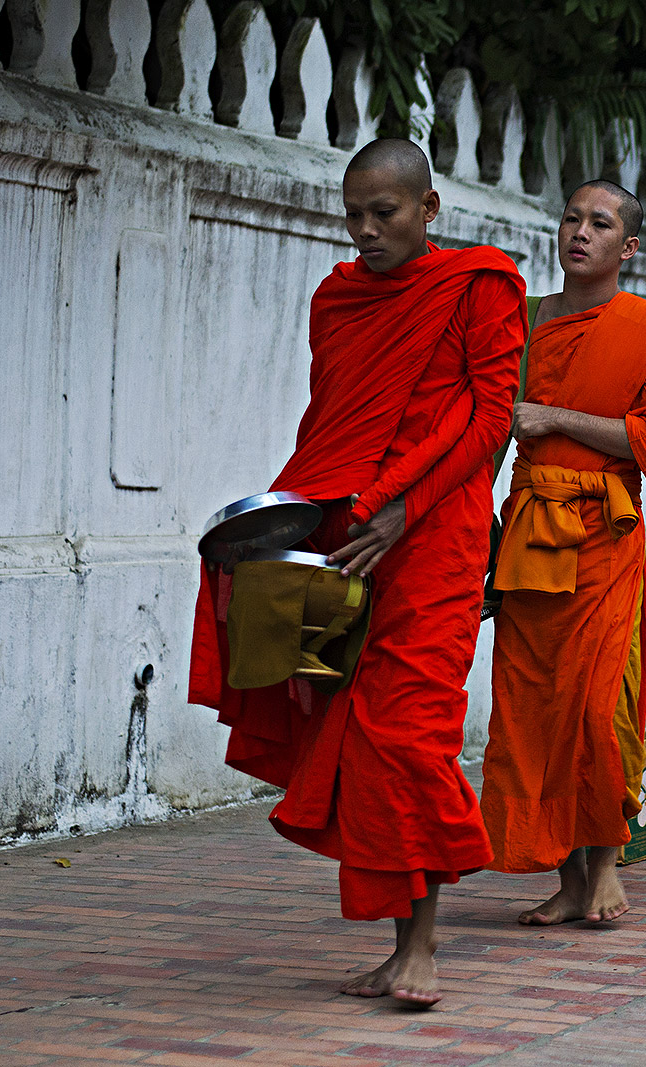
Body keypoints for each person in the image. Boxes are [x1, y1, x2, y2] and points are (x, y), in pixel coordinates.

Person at [188, 139, 525, 1006]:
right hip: (348, 537)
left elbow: (490, 417)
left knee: (411, 731)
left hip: (435, 535)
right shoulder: (337, 299)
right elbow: (329, 421)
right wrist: (281, 525)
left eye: (387, 213)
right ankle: (399, 941)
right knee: (358, 735)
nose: (368, 231)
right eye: (355, 215)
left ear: (430, 210)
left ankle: (423, 947)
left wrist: (403, 506)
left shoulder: (481, 285)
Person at [480, 180, 646, 924]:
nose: (580, 231)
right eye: (571, 217)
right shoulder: (528, 320)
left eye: (599, 223)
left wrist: (555, 416)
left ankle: (607, 862)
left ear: (626, 247)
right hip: (530, 532)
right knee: (534, 707)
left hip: (604, 536)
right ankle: (567, 877)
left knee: (603, 705)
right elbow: (489, 425)